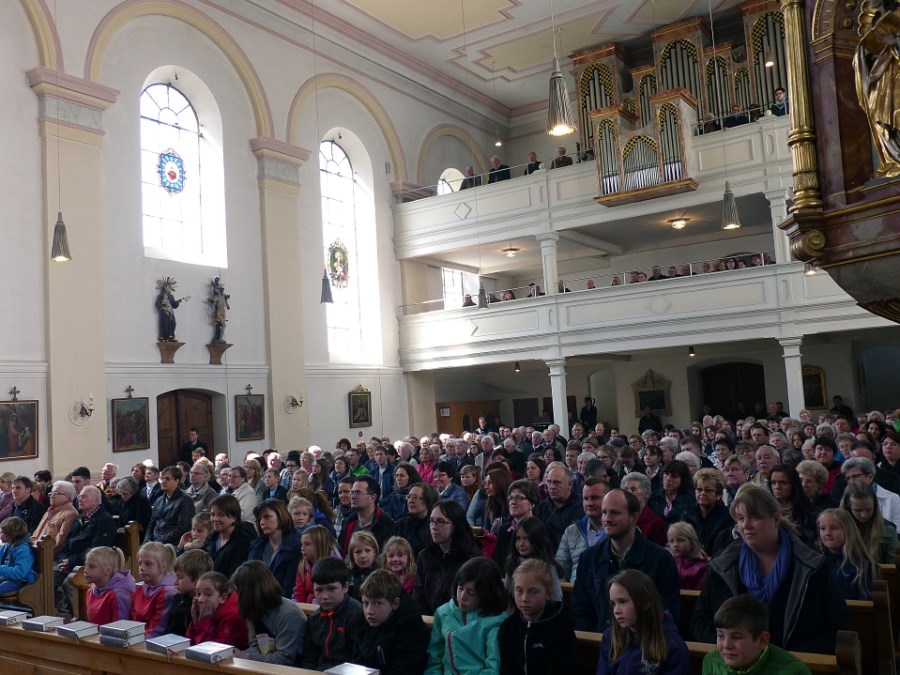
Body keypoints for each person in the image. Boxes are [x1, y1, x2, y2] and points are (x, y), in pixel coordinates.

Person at [692, 484, 853, 653]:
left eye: (754, 517)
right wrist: (731, 648)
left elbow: (839, 627)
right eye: (740, 518)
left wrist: (786, 659)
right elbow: (700, 620)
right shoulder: (723, 565)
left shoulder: (810, 565)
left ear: (776, 519)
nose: (746, 525)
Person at [571, 489, 681, 633]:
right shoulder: (589, 558)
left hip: (644, 641)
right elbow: (580, 609)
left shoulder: (661, 560)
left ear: (634, 518)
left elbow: (667, 612)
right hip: (600, 640)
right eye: (604, 512)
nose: (607, 519)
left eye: (615, 513)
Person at [597, 569, 690, 675]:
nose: (616, 611)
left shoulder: (673, 646)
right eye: (613, 603)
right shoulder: (610, 637)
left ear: (646, 603)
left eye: (623, 601)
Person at [425, 557, 507, 675]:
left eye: (471, 592)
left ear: (486, 594)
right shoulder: (444, 613)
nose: (462, 596)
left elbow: (494, 668)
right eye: (460, 588)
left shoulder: (496, 621)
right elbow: (435, 659)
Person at [498, 559, 576, 675]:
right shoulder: (508, 628)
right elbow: (507, 669)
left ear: (549, 593)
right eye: (519, 590)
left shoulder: (561, 627)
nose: (524, 598)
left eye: (533, 592)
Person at [703, 594, 813, 675]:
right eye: (721, 635)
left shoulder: (795, 671)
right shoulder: (711, 662)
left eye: (736, 637)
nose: (726, 645)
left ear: (762, 640)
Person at [349, 569, 429, 674]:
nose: (369, 611)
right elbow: (357, 663)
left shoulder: (411, 627)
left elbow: (406, 670)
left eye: (377, 603)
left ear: (395, 604)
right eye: (365, 603)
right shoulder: (360, 621)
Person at [232, 560, 307, 666]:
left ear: (248, 593)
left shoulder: (289, 614)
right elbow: (256, 648)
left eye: (238, 592)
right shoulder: (253, 610)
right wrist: (238, 655)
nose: (237, 597)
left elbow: (284, 659)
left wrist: (246, 656)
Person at [413, 500, 481, 615]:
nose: (434, 527)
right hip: (429, 620)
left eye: (440, 522)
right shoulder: (425, 557)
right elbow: (418, 598)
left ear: (455, 526)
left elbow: (471, 602)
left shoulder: (472, 560)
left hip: (459, 621)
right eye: (432, 521)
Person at [301, 557, 363, 670]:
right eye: (319, 590)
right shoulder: (314, 620)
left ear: (345, 587)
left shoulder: (357, 616)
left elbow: (359, 660)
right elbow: (309, 658)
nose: (325, 596)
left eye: (331, 589)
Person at [556, 477, 608, 583]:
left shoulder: (619, 531)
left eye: (595, 498)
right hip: (574, 591)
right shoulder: (571, 531)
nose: (589, 503)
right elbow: (560, 570)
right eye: (586, 498)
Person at [817, 508, 876, 600]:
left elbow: (866, 601)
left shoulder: (861, 562)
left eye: (834, 528)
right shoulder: (816, 559)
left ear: (847, 530)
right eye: (823, 528)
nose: (827, 533)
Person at [503, 517, 563, 601]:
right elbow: (506, 595)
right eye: (518, 538)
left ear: (537, 539)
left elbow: (557, 599)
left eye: (526, 538)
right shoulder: (513, 562)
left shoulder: (548, 567)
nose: (521, 544)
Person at [842, 482, 899, 563]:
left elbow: (894, 565)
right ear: (848, 508)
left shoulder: (888, 530)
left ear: (874, 506)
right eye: (858, 510)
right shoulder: (835, 528)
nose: (864, 515)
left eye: (869, 510)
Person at [338, 475, 394, 555]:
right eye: (352, 492)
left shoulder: (386, 524)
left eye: (357, 493)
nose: (352, 496)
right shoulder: (348, 522)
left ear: (372, 498)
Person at [203, 494, 256, 578]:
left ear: (234, 517)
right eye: (213, 515)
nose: (215, 519)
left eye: (221, 515)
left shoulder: (244, 540)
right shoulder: (212, 536)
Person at [133, 541, 178, 637]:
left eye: (148, 564)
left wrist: (136, 640)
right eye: (140, 563)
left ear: (163, 567)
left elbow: (158, 628)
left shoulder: (168, 593)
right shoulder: (139, 587)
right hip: (137, 638)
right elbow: (134, 619)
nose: (141, 568)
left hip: (153, 640)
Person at [534, 464, 584, 550]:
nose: (552, 487)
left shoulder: (580, 506)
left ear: (569, 484)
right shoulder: (542, 506)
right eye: (549, 482)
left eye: (556, 482)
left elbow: (571, 538)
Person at [84, 546, 135, 624]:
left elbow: (120, 626)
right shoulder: (91, 591)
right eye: (85, 565)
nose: (85, 570)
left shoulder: (119, 595)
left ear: (108, 570)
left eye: (92, 566)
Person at [145, 466, 195, 546]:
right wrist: (147, 540)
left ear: (176, 481)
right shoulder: (159, 500)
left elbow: (181, 528)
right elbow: (152, 523)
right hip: (155, 541)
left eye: (167, 479)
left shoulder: (185, 500)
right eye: (162, 478)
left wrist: (159, 542)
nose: (163, 481)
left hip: (172, 544)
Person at [294, 525, 340, 603]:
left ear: (320, 545)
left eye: (307, 544)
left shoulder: (334, 567)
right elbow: (299, 593)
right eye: (302, 544)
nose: (302, 548)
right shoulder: (303, 565)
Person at [31, 480, 78, 554]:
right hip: (36, 551)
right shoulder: (49, 511)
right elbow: (35, 535)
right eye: (51, 493)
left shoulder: (71, 514)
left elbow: (60, 541)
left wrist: (41, 552)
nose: (51, 496)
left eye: (56, 493)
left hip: (48, 556)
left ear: (67, 497)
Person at [393, 482, 438, 558]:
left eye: (415, 497)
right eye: (409, 497)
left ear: (428, 501)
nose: (410, 501)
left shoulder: (434, 527)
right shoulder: (400, 524)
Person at [667, 521, 709, 590]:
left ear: (692, 543)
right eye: (671, 541)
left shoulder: (702, 567)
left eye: (681, 540)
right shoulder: (668, 563)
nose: (675, 544)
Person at [0, 516, 36, 595]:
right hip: (6, 577)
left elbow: (19, 573)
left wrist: (1, 569)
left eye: (1, 533)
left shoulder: (24, 550)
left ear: (10, 535)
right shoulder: (6, 546)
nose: (0, 534)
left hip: (20, 581)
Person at [347, 530, 381, 600]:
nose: (363, 556)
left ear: (374, 552)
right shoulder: (347, 574)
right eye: (358, 552)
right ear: (352, 554)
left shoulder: (381, 575)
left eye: (367, 550)